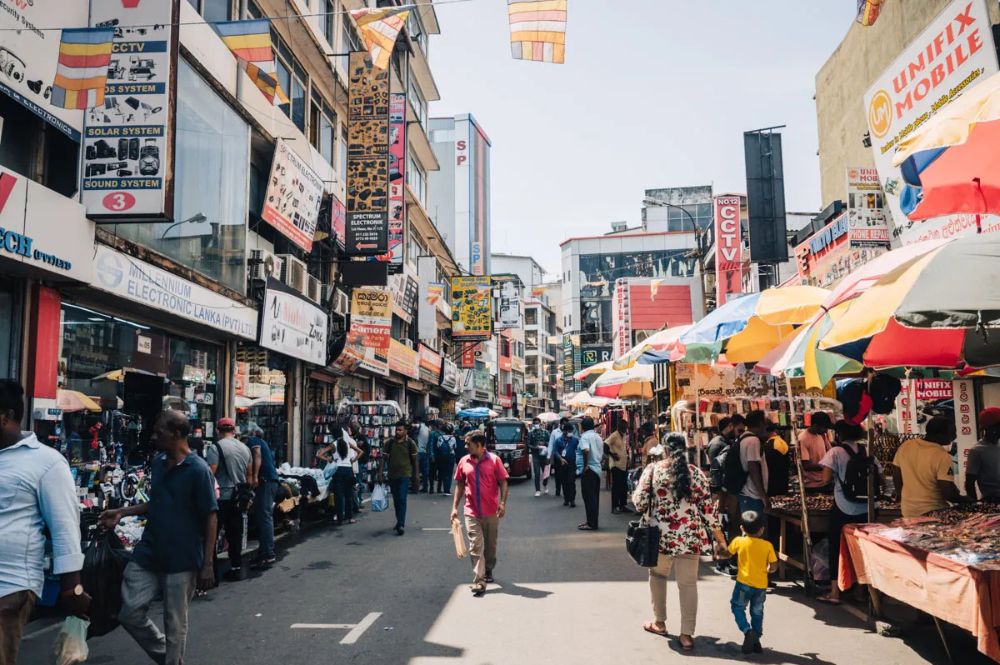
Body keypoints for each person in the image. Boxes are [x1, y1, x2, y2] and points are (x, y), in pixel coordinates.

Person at [100, 410, 217, 665]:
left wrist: (207, 564)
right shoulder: (159, 463)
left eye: (160, 431)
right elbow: (156, 503)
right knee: (129, 612)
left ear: (176, 433)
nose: (154, 436)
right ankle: (168, 657)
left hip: (182, 558)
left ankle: (172, 661)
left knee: (175, 624)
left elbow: (211, 517)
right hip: (149, 552)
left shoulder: (198, 470)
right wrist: (121, 511)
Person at [0, 380, 89, 665]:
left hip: (9, 588)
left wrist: (72, 590)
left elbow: (65, 528)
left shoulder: (46, 463)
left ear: (7, 416)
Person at [632, 433, 728, 652]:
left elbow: (639, 503)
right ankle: (686, 635)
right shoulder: (695, 473)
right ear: (685, 449)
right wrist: (720, 538)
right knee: (688, 585)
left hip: (660, 538)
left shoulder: (654, 470)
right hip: (691, 537)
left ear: (665, 449)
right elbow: (708, 511)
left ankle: (660, 622)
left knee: (657, 577)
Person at [816, 420, 881, 604]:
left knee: (837, 548)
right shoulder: (868, 451)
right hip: (868, 507)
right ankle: (861, 591)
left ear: (840, 435)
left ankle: (835, 592)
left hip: (843, 507)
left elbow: (825, 479)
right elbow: (881, 477)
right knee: (861, 548)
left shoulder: (835, 452)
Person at [451, 431, 509, 597]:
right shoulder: (464, 461)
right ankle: (479, 580)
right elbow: (460, 485)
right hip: (471, 511)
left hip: (491, 511)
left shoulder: (494, 460)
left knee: (490, 546)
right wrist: (454, 507)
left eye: (468, 443)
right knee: (475, 546)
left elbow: (503, 482)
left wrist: (502, 503)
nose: (465, 446)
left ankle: (488, 569)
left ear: (478, 445)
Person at [205, 418, 252, 581]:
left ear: (218, 431)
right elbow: (250, 476)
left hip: (221, 498)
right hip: (238, 497)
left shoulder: (216, 447)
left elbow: (210, 474)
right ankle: (236, 568)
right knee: (235, 535)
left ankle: (212, 574)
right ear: (234, 431)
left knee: (212, 535)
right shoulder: (245, 448)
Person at [892, 416, 965, 517]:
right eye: (952, 433)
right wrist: (965, 499)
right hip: (934, 513)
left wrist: (901, 496)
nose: (955, 436)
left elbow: (896, 474)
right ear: (939, 434)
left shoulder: (906, 446)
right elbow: (948, 493)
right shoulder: (942, 456)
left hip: (908, 511)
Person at [728, 510, 777, 655]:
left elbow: (728, 552)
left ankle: (747, 630)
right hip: (761, 586)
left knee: (737, 607)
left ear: (742, 528)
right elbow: (773, 567)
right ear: (762, 530)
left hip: (743, 584)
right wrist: (767, 570)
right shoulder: (767, 545)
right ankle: (756, 639)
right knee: (757, 612)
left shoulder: (739, 541)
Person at [246, 424, 280, 568]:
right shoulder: (262, 442)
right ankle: (263, 551)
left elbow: (257, 455)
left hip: (266, 481)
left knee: (264, 516)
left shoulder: (254, 441)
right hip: (269, 481)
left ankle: (268, 553)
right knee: (263, 515)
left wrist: (254, 476)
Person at [317, 425, 362, 525]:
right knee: (349, 494)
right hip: (349, 470)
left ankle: (340, 519)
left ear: (333, 435)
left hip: (338, 471)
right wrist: (353, 461)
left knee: (339, 495)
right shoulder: (348, 443)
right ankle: (350, 518)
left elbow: (319, 454)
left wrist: (328, 459)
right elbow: (360, 452)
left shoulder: (333, 444)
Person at [381, 422, 419, 535]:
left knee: (402, 499)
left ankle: (401, 524)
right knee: (397, 500)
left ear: (405, 431)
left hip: (405, 475)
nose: (398, 432)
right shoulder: (390, 443)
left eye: (400, 430)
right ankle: (399, 521)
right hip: (392, 475)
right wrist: (380, 473)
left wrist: (416, 476)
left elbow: (415, 461)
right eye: (397, 430)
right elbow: (383, 458)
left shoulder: (410, 443)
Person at [737, 410, 770, 516]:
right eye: (765, 422)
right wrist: (763, 496)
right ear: (760, 423)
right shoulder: (753, 441)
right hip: (753, 496)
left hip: (748, 495)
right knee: (757, 529)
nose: (766, 425)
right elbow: (753, 469)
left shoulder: (744, 438)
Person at [966, 407, 1000, 501]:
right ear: (992, 428)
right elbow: (970, 482)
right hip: (993, 501)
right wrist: (974, 506)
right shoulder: (977, 451)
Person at [577, 416, 604, 530]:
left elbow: (586, 450)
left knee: (589, 497)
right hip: (597, 469)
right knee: (594, 497)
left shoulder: (585, 437)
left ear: (582, 427)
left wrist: (586, 465)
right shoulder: (597, 437)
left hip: (589, 470)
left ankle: (591, 523)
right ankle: (591, 521)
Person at [798, 412, 833, 494]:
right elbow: (806, 465)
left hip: (826, 481)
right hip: (812, 486)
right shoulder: (802, 439)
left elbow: (830, 452)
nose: (826, 430)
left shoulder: (822, 435)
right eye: (825, 427)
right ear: (816, 425)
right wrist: (827, 467)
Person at [551, 422, 579, 507]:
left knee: (571, 481)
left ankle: (572, 500)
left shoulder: (575, 440)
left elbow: (578, 450)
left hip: (571, 462)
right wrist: (560, 459)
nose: (570, 432)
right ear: (564, 431)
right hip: (562, 463)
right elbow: (555, 451)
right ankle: (566, 499)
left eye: (571, 431)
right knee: (564, 481)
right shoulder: (558, 440)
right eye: (569, 431)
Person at [605, 420, 629, 513]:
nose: (626, 428)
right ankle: (614, 507)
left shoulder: (622, 436)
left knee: (624, 486)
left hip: (623, 465)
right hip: (616, 465)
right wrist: (612, 454)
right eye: (625, 426)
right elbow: (605, 444)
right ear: (620, 427)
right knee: (616, 487)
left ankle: (623, 505)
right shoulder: (614, 435)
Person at [529, 418, 551, 497]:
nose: (536, 424)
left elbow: (550, 443)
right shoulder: (531, 433)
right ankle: (537, 490)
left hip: (544, 455)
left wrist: (544, 443)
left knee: (545, 473)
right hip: (535, 455)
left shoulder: (546, 432)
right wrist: (536, 447)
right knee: (537, 473)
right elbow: (529, 444)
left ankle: (545, 485)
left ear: (540, 423)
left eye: (537, 423)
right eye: (534, 423)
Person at [547, 418, 568, 497]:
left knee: (566, 475)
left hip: (567, 457)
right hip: (557, 456)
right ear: (561, 424)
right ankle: (558, 490)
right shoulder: (555, 432)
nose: (564, 425)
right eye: (564, 423)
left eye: (566, 424)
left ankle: (566, 491)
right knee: (558, 475)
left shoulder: (569, 432)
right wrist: (548, 456)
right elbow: (551, 444)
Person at [434, 423, 457, 495]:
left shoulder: (440, 437)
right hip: (450, 456)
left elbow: (438, 446)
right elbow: (454, 447)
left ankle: (444, 489)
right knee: (449, 474)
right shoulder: (453, 438)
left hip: (442, 457)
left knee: (443, 473)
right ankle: (447, 490)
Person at [414, 417, 432, 493]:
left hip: (418, 451)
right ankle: (425, 487)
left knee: (416, 470)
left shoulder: (420, 426)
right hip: (425, 452)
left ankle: (416, 487)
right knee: (425, 471)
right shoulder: (428, 429)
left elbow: (414, 425)